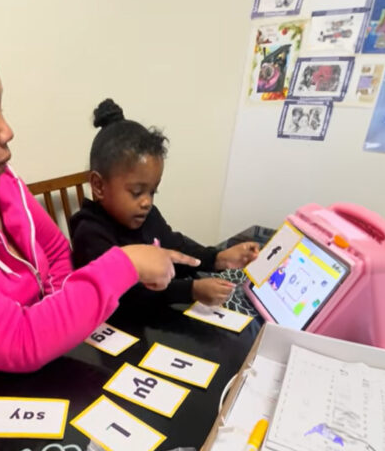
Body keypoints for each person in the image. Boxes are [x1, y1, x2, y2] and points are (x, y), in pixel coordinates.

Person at [0, 0, 199, 414]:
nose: (7, 130)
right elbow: (19, 340)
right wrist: (125, 264)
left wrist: (57, 314)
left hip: (43, 375)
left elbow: (54, 251)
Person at [70, 99, 259, 309]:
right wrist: (192, 290)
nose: (147, 202)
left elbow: (176, 247)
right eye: (136, 192)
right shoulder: (89, 233)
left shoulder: (147, 216)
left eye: (153, 191)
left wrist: (217, 258)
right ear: (98, 186)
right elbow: (128, 295)